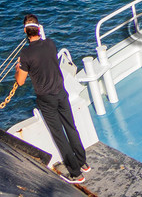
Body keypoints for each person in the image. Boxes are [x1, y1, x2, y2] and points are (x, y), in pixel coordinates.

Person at [15, 15, 88, 183]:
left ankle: (76, 173)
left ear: (25, 31)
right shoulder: (51, 44)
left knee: (59, 135)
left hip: (46, 99)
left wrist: (18, 68)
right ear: (39, 28)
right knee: (71, 127)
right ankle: (83, 162)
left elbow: (20, 81)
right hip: (61, 93)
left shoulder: (25, 54)